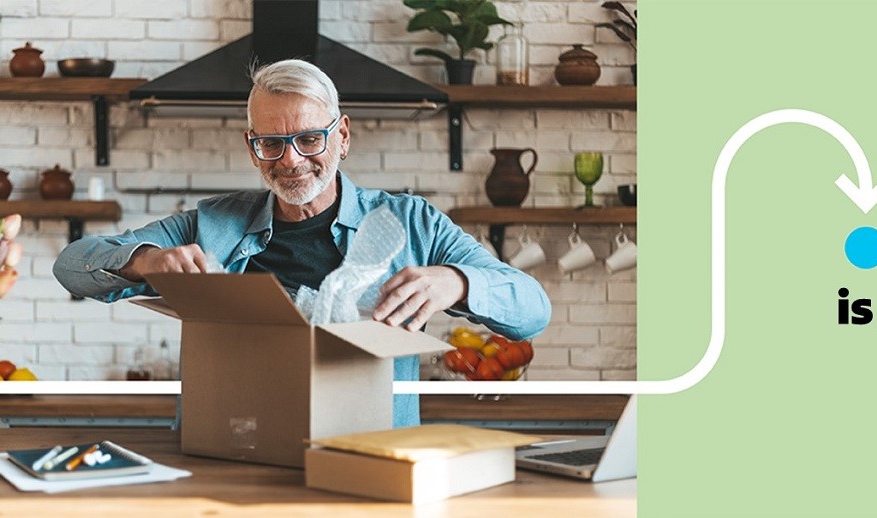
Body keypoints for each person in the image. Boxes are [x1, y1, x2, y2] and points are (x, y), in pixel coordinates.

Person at [55, 59, 550, 427]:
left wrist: (457, 281)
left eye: (310, 139)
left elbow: (532, 310)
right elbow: (72, 265)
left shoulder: (413, 223)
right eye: (271, 143)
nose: (290, 160)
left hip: (369, 457)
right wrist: (145, 260)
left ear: (343, 137)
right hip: (236, 451)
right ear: (253, 148)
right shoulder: (210, 224)